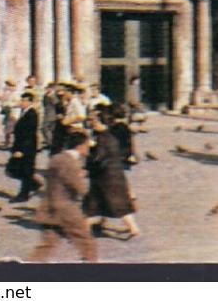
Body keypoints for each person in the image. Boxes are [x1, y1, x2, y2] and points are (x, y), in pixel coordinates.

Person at [29, 131, 98, 263]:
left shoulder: (56, 158)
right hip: (66, 208)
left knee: (48, 242)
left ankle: (30, 267)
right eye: (87, 145)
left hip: (49, 206)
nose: (88, 148)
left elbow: (59, 179)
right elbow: (79, 187)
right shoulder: (70, 163)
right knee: (86, 241)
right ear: (80, 146)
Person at [81, 107, 139, 240]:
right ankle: (132, 228)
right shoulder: (109, 136)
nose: (93, 125)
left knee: (96, 204)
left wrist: (89, 152)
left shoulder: (102, 138)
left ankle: (83, 231)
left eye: (95, 123)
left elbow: (99, 158)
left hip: (105, 177)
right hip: (114, 174)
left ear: (102, 124)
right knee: (110, 204)